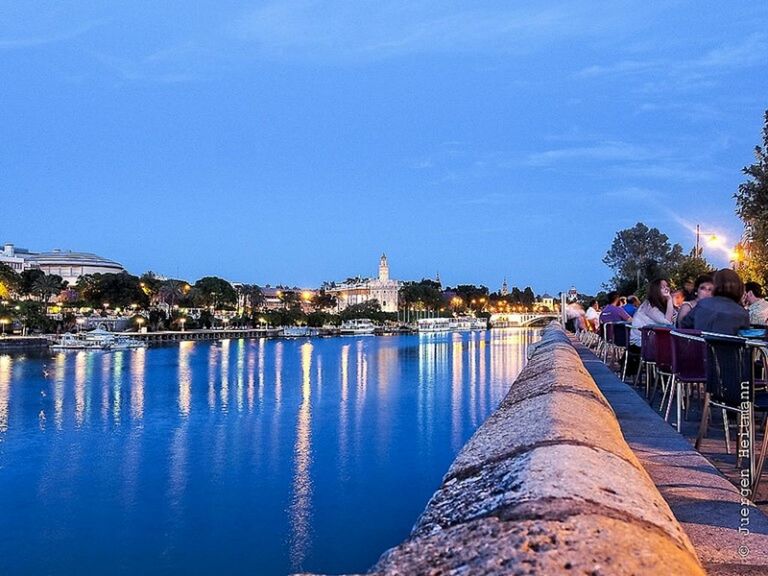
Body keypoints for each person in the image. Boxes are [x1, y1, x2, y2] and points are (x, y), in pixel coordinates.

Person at [681, 269, 749, 335]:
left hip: (700, 345)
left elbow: (683, 328)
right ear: (739, 287)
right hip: (727, 346)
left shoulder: (702, 304)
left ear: (715, 285)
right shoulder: (743, 313)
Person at [630, 278, 675, 347]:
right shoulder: (648, 306)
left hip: (651, 338)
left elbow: (674, 316)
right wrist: (669, 299)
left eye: (667, 286)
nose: (667, 288)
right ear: (655, 290)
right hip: (640, 342)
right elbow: (667, 323)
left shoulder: (660, 304)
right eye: (662, 287)